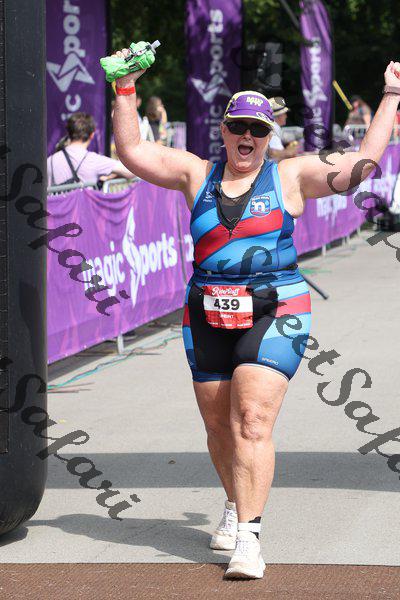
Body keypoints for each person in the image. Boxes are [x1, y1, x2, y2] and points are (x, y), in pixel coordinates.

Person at [111, 48, 400, 579]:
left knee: (251, 419)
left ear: (270, 136)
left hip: (276, 308)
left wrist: (392, 94)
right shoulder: (196, 174)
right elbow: (131, 150)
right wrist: (126, 88)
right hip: (206, 310)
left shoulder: (289, 176)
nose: (247, 136)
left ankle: (249, 537)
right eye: (239, 127)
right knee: (218, 426)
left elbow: (362, 165)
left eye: (258, 129)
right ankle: (233, 501)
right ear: (223, 131)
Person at [47, 112, 135, 187]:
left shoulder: (49, 161)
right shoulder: (94, 160)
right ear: (92, 135)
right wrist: (109, 178)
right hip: (83, 203)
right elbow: (131, 171)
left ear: (69, 132)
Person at [268, 96, 298, 161]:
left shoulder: (274, 128)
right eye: (284, 114)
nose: (286, 116)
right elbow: (274, 154)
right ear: (278, 116)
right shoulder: (273, 128)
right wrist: (292, 149)